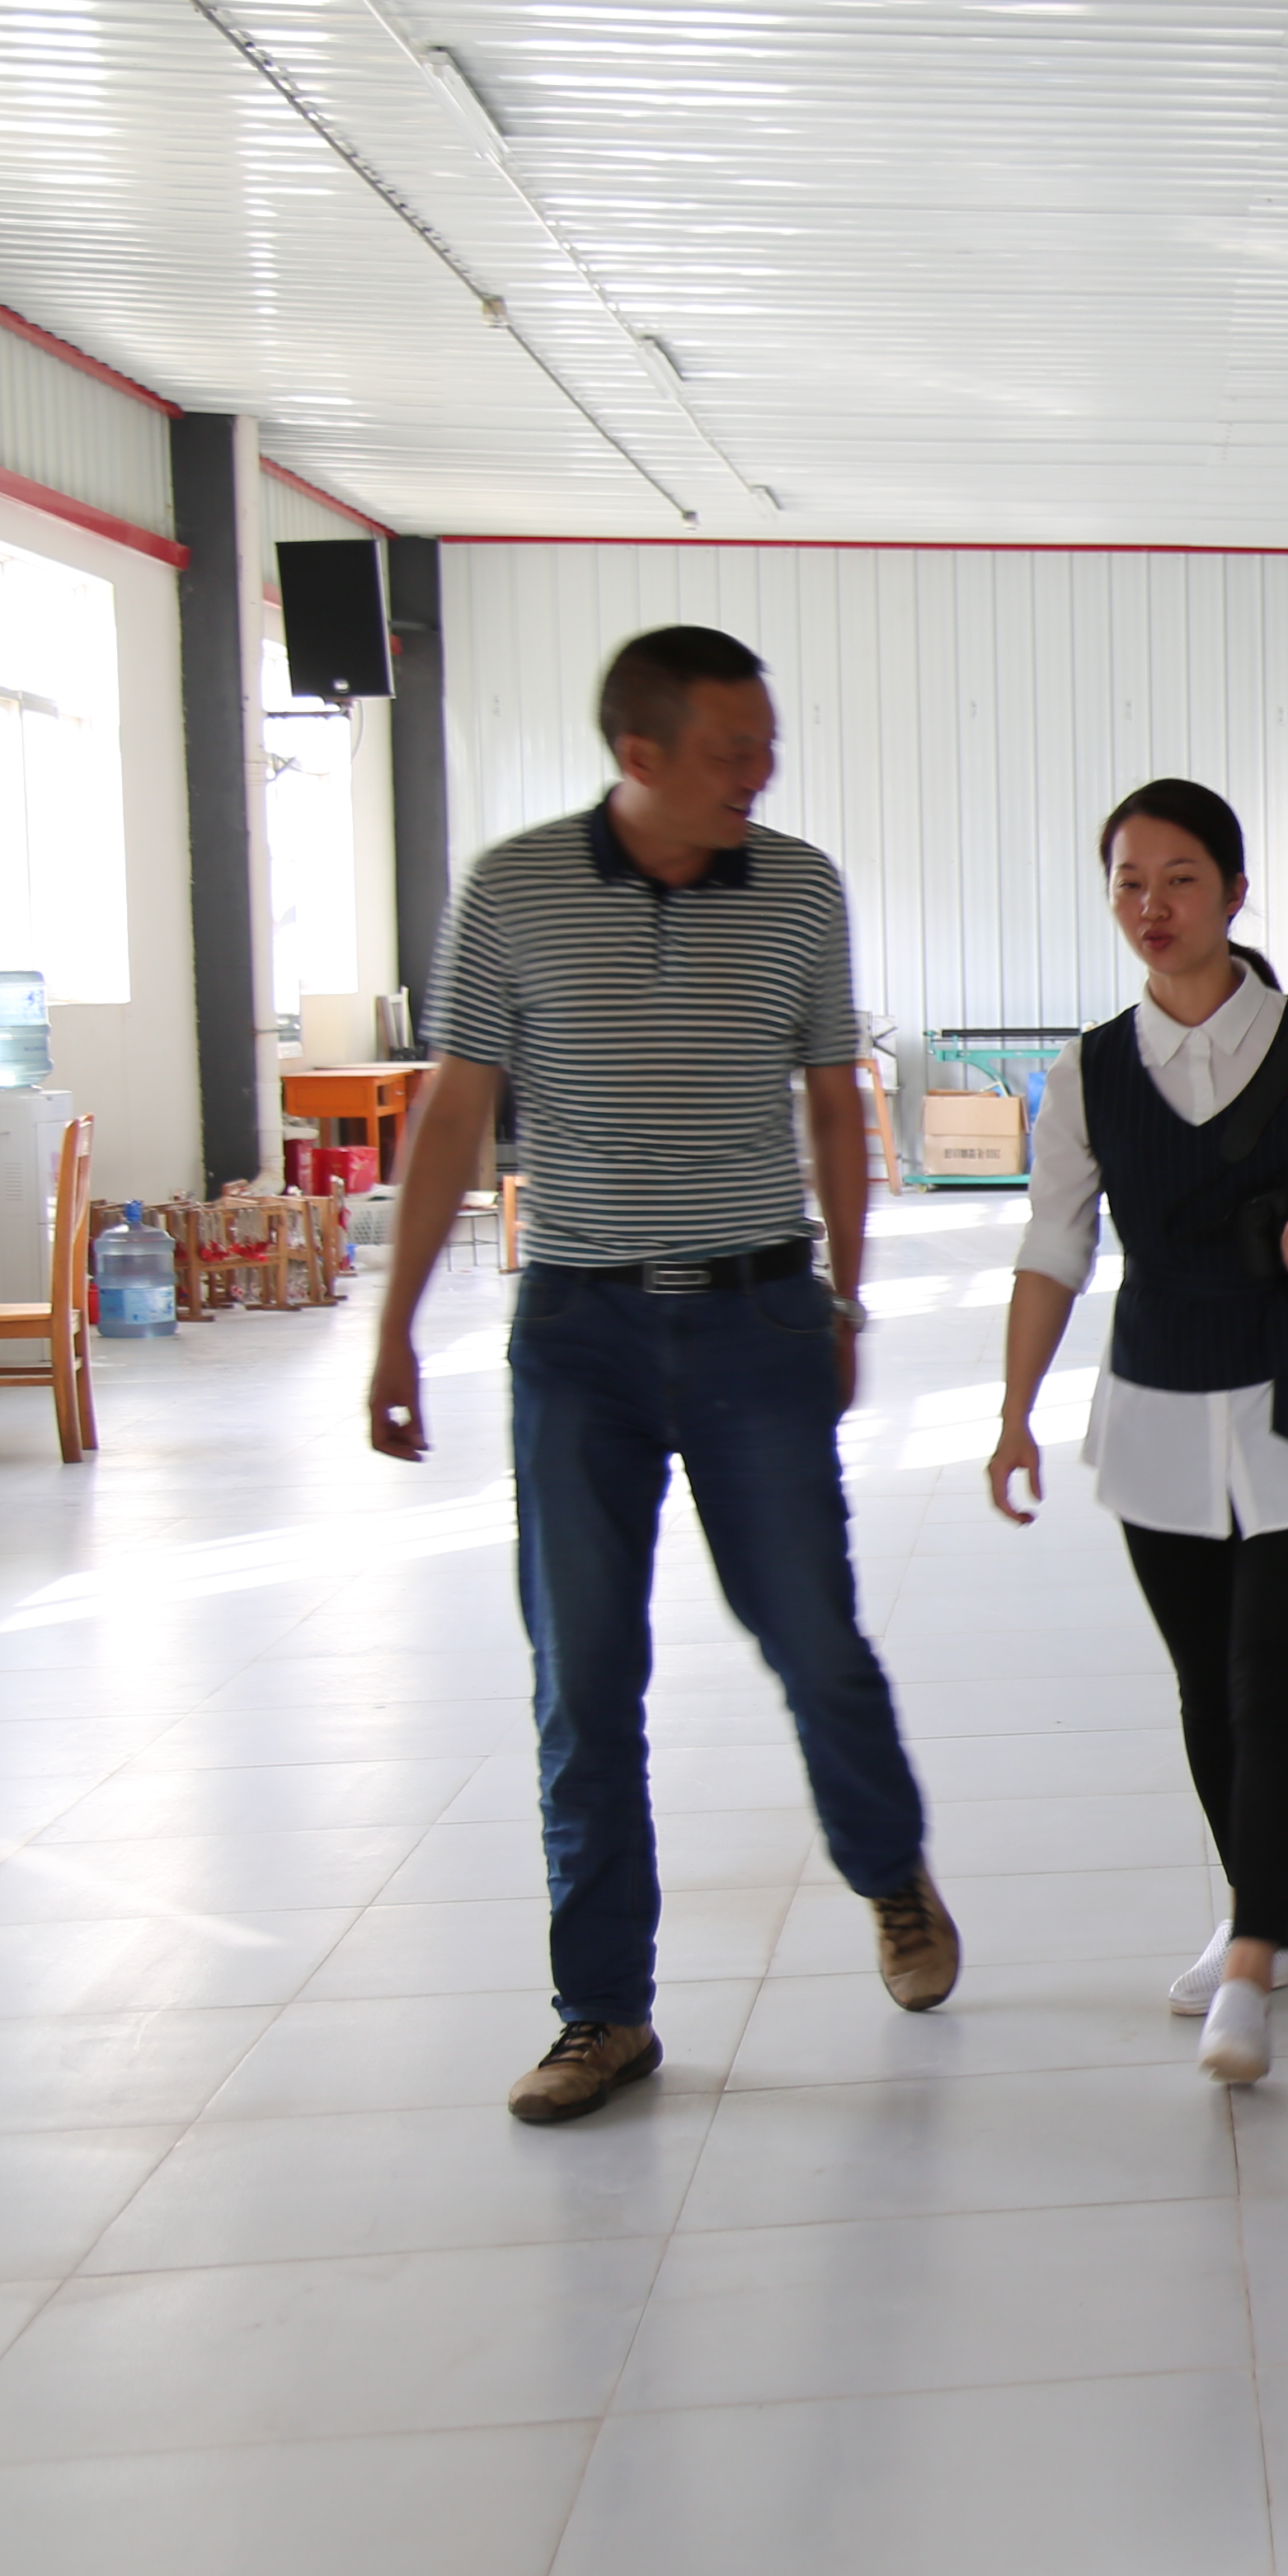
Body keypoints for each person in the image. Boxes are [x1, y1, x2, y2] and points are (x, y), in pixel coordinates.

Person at [365, 624, 957, 2128]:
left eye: (767, 745)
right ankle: (604, 2012)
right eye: (730, 751)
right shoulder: (511, 890)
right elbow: (454, 1113)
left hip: (759, 1318)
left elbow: (834, 1101)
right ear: (638, 754)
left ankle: (889, 1869)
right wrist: (392, 1328)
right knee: (583, 1673)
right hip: (582, 1336)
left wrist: (846, 1294)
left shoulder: (800, 888)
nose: (760, 773)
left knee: (811, 1635)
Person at [981, 780, 1288, 2085]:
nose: (1152, 905)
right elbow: (1054, 1247)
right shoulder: (1090, 1072)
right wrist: (1013, 1413)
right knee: (1206, 1690)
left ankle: (1249, 1962)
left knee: (1269, 1686)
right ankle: (1252, 1913)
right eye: (1129, 881)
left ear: (1234, 892)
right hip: (1158, 1410)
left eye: (1180, 878)